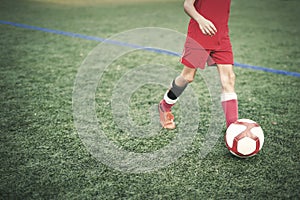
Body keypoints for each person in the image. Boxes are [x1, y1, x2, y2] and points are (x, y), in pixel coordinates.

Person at [158, 0, 238, 129]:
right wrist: (201, 20)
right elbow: (187, 5)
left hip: (222, 36)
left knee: (229, 79)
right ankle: (165, 106)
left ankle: (233, 128)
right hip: (199, 36)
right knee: (187, 77)